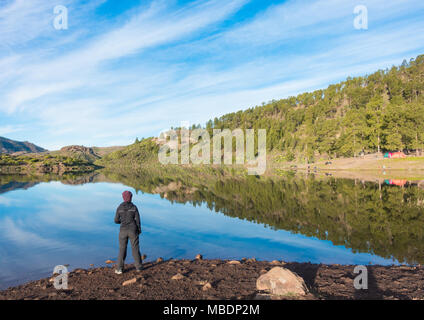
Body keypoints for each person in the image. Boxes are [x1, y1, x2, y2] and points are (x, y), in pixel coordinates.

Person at [114, 190, 142, 274]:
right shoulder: (134, 207)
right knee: (135, 248)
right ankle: (139, 267)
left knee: (122, 249)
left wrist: (121, 222)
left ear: (123, 197)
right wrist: (139, 230)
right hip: (133, 230)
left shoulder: (120, 207)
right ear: (130, 198)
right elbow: (138, 220)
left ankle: (119, 269)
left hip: (123, 230)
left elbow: (116, 220)